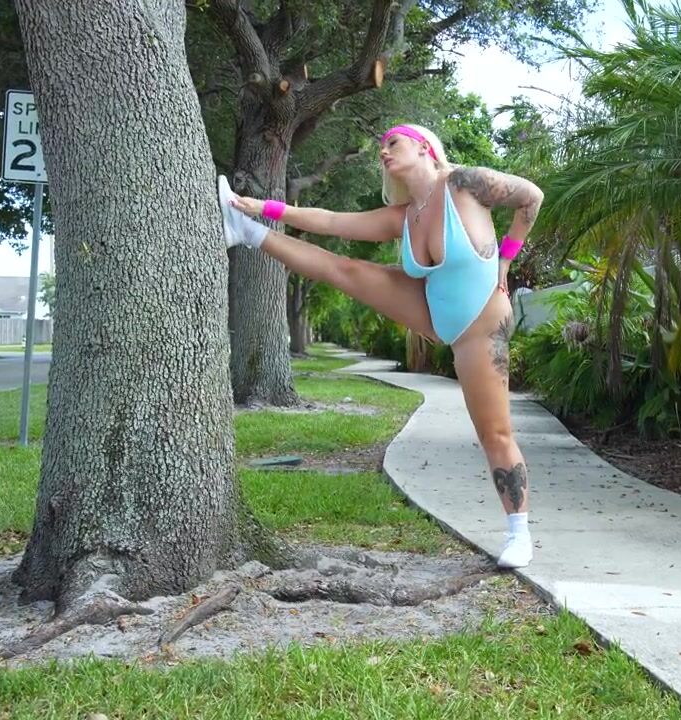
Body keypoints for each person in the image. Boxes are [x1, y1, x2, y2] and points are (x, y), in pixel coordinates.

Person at [217, 123, 544, 569]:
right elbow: (331, 221)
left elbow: (532, 197)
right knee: (346, 270)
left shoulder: (466, 183)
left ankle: (519, 534)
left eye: (393, 143)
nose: (384, 152)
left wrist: (506, 258)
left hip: (480, 327)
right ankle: (245, 230)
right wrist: (259, 207)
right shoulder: (403, 216)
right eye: (381, 148)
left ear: (424, 147)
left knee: (495, 434)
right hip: (434, 311)